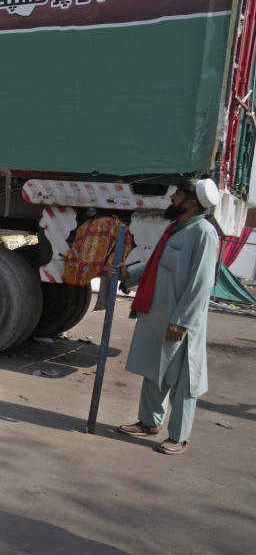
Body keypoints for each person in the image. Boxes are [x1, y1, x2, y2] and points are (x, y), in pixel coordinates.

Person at [114, 177, 220, 455]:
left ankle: (179, 437)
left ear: (192, 202)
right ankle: (149, 422)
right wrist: (129, 275)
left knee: (183, 380)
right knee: (154, 370)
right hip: (158, 314)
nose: (172, 197)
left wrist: (182, 321)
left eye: (177, 194)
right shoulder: (175, 229)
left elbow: (201, 284)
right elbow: (156, 268)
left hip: (180, 320)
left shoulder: (204, 234)